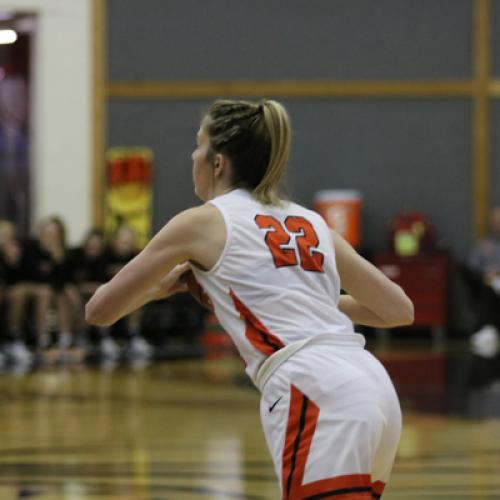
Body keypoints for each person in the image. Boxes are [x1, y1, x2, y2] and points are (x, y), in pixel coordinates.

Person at [86, 99, 413, 499]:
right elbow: (398, 310)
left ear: (218, 162)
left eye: (198, 144)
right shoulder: (311, 221)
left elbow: (99, 310)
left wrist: (153, 291)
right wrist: (305, 298)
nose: (193, 155)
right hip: (373, 385)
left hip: (314, 388)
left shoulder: (200, 222)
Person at [466, 206, 500, 358]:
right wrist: (484, 275)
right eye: (496, 222)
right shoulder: (483, 246)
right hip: (488, 284)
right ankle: (488, 329)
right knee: (489, 290)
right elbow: (470, 268)